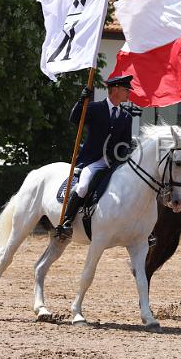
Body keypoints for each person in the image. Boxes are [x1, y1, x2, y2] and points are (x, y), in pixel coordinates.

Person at [55, 75, 134, 241]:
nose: (129, 93)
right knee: (83, 186)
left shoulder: (126, 116)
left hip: (115, 163)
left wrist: (126, 152)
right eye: (126, 90)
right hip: (93, 161)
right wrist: (81, 101)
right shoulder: (95, 108)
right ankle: (66, 222)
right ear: (115, 89)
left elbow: (125, 142)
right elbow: (74, 119)